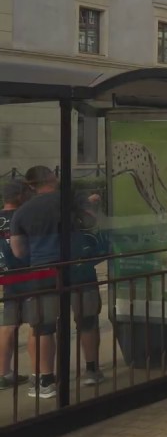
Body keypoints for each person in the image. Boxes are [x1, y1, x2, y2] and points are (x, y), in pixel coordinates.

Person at [9, 166, 105, 398]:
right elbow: (92, 220)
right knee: (87, 320)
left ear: (31, 186)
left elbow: (19, 251)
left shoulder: (22, 212)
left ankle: (45, 381)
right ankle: (91, 371)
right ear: (53, 178)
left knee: (43, 326)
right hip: (78, 268)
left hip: (42, 271)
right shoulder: (69, 199)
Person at [0, 181, 30, 390]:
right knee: (40, 325)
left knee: (8, 326)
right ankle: (42, 375)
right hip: (28, 273)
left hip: (7, 277)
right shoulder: (23, 217)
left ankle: (3, 373)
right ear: (20, 196)